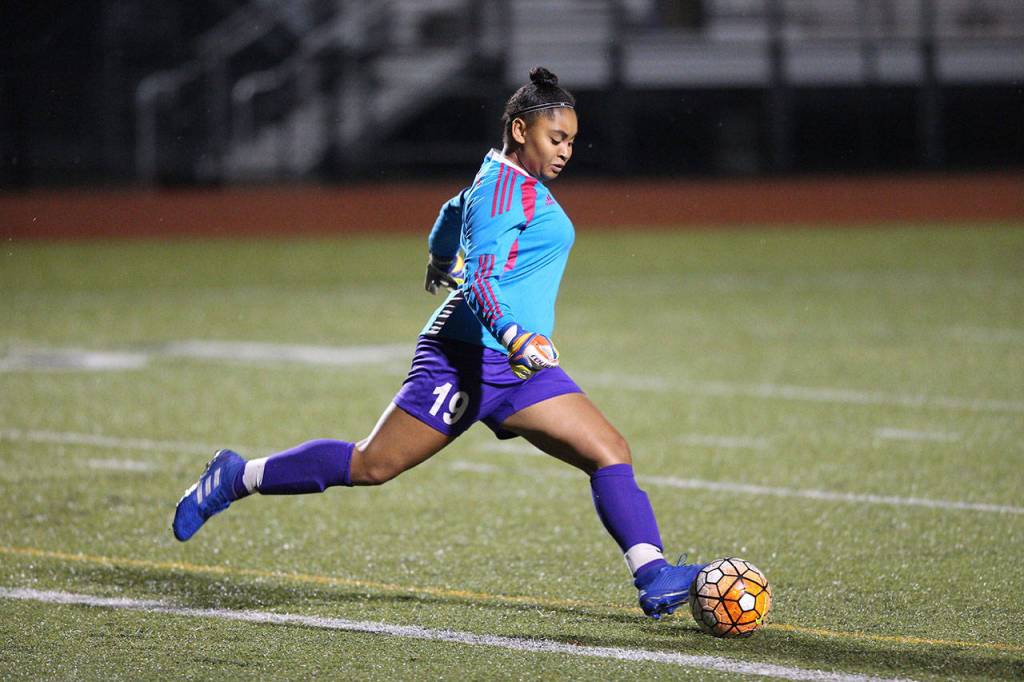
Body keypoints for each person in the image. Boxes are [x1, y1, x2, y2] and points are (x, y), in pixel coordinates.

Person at [173, 67, 705, 619]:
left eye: (571, 140)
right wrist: (516, 335)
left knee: (608, 451)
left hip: (515, 367)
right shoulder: (503, 192)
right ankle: (237, 476)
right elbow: (480, 280)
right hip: (463, 356)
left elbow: (453, 212)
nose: (566, 151)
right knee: (372, 464)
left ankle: (654, 576)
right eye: (556, 138)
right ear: (520, 130)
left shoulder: (498, 182)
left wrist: (438, 256)